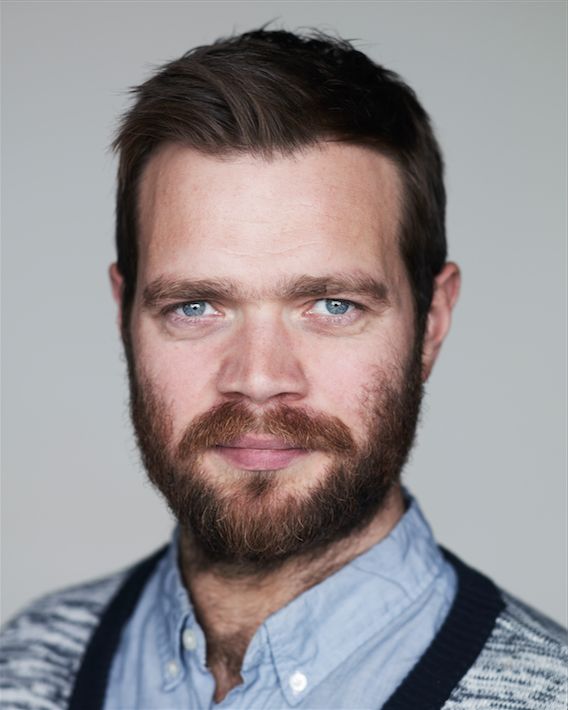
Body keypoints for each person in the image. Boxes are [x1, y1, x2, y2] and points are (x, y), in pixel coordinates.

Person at [1, 28, 566, 710]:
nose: (260, 378)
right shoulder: (22, 669)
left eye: (332, 305)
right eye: (195, 306)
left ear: (432, 322)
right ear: (125, 317)